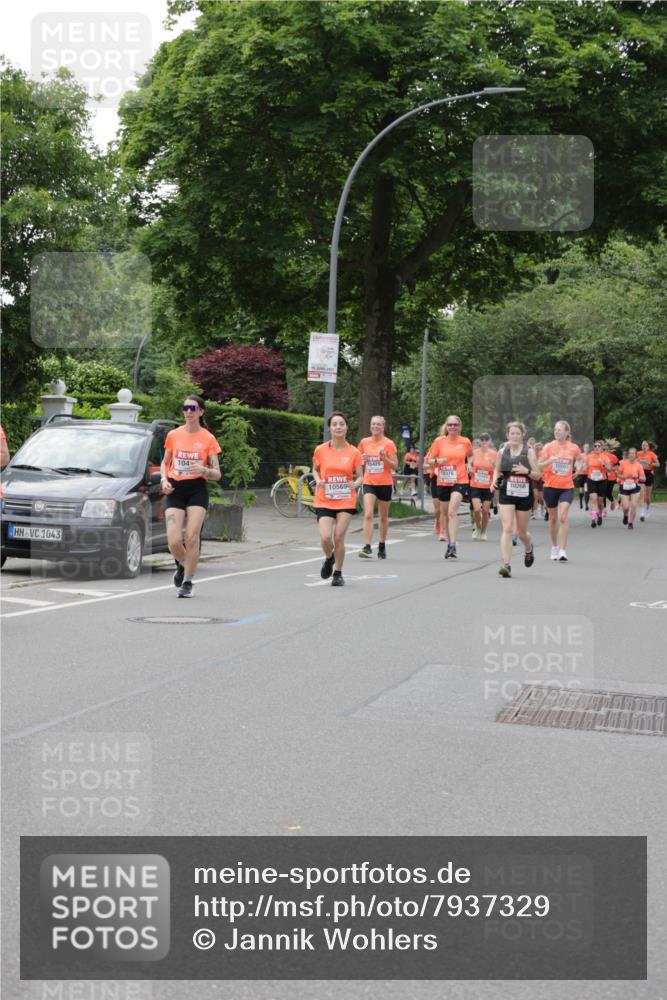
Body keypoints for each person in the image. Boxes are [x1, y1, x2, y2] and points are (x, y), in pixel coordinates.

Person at [160, 395, 221, 598]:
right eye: (185, 408)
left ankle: (187, 581)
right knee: (174, 541)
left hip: (197, 489)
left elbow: (217, 473)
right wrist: (163, 480)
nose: (188, 411)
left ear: (201, 411)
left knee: (191, 537)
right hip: (175, 489)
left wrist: (203, 469)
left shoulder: (208, 438)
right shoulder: (173, 435)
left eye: (193, 408)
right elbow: (165, 462)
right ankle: (183, 564)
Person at [312, 412, 363, 587]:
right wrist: (319, 481)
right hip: (325, 499)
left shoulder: (354, 452)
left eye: (341, 423)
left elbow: (360, 476)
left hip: (345, 499)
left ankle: (338, 573)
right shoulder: (320, 450)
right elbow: (315, 470)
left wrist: (355, 484)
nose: (338, 427)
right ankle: (329, 558)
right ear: (329, 428)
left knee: (339, 537)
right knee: (326, 538)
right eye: (335, 424)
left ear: (346, 427)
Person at [493, 422, 540, 578]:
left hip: (524, 495)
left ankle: (528, 549)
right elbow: (497, 470)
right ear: (507, 435)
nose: (514, 436)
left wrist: (525, 470)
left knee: (521, 532)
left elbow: (537, 475)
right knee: (507, 528)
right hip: (507, 492)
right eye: (512, 433)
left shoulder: (529, 452)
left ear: (522, 435)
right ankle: (506, 565)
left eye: (517, 434)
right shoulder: (502, 451)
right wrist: (494, 481)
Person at [428, 415, 473, 559]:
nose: (453, 427)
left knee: (453, 511)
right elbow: (429, 460)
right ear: (446, 427)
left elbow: (470, 456)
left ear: (460, 426)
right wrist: (437, 461)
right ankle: (449, 543)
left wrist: (469, 464)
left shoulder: (465, 442)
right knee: (445, 514)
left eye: (455, 425)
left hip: (460, 480)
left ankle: (453, 544)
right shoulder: (439, 442)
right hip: (443, 481)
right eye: (450, 425)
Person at [539, 420, 581, 562]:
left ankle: (563, 550)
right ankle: (554, 546)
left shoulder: (573, 447)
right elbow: (539, 466)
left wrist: (578, 469)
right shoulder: (548, 447)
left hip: (566, 486)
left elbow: (580, 459)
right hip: (550, 486)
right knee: (552, 519)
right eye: (555, 429)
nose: (557, 432)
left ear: (567, 432)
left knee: (563, 517)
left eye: (560, 430)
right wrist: (549, 461)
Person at [357, 416, 398, 559]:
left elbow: (395, 466)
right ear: (370, 426)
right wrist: (362, 460)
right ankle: (367, 547)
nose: (376, 426)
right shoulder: (364, 442)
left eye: (378, 424)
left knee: (383, 517)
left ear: (383, 427)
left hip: (385, 483)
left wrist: (384, 458)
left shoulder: (389, 443)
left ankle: (382, 545)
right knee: (368, 514)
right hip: (369, 482)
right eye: (373, 424)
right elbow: (357, 463)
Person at [468, 433, 496, 540]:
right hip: (475, 484)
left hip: (488, 486)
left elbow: (498, 469)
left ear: (489, 441)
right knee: (476, 509)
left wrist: (493, 465)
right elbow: (469, 464)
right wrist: (469, 468)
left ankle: (484, 532)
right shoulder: (474, 453)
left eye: (486, 440)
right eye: (482, 440)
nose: (484, 442)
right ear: (479, 441)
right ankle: (477, 529)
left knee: (485, 510)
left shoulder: (494, 454)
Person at [579, 441, 610, 528]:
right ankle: (593, 519)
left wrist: (603, 464)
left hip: (602, 481)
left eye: (598, 446)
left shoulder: (605, 457)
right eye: (595, 446)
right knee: (593, 499)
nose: (596, 447)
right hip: (591, 480)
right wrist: (583, 466)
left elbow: (610, 469)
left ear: (601, 447)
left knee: (600, 502)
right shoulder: (589, 457)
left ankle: (599, 515)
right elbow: (585, 467)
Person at [617, 448, 646, 529]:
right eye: (630, 453)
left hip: (634, 487)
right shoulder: (623, 463)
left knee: (633, 505)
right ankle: (625, 515)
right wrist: (624, 476)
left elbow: (644, 478)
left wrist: (638, 476)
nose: (631, 455)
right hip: (624, 486)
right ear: (628, 455)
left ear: (636, 455)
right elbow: (618, 475)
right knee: (626, 507)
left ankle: (631, 523)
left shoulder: (639, 465)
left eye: (633, 453)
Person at [637, 440, 659, 520]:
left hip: (649, 474)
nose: (644, 447)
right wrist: (637, 462)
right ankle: (642, 513)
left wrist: (650, 463)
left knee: (647, 497)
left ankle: (648, 507)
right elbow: (633, 462)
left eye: (645, 445)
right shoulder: (638, 453)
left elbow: (658, 464)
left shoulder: (651, 454)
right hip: (641, 473)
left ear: (648, 447)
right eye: (643, 445)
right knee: (642, 494)